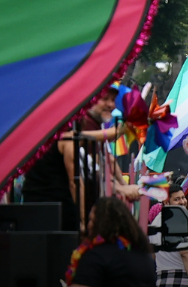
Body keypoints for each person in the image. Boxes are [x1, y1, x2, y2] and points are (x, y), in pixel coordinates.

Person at [20, 84, 137, 230]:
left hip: (53, 215)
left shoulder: (74, 133)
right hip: (55, 218)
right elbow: (75, 182)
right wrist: (82, 221)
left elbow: (101, 159)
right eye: (105, 99)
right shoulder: (66, 136)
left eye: (113, 100)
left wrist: (122, 187)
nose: (111, 105)